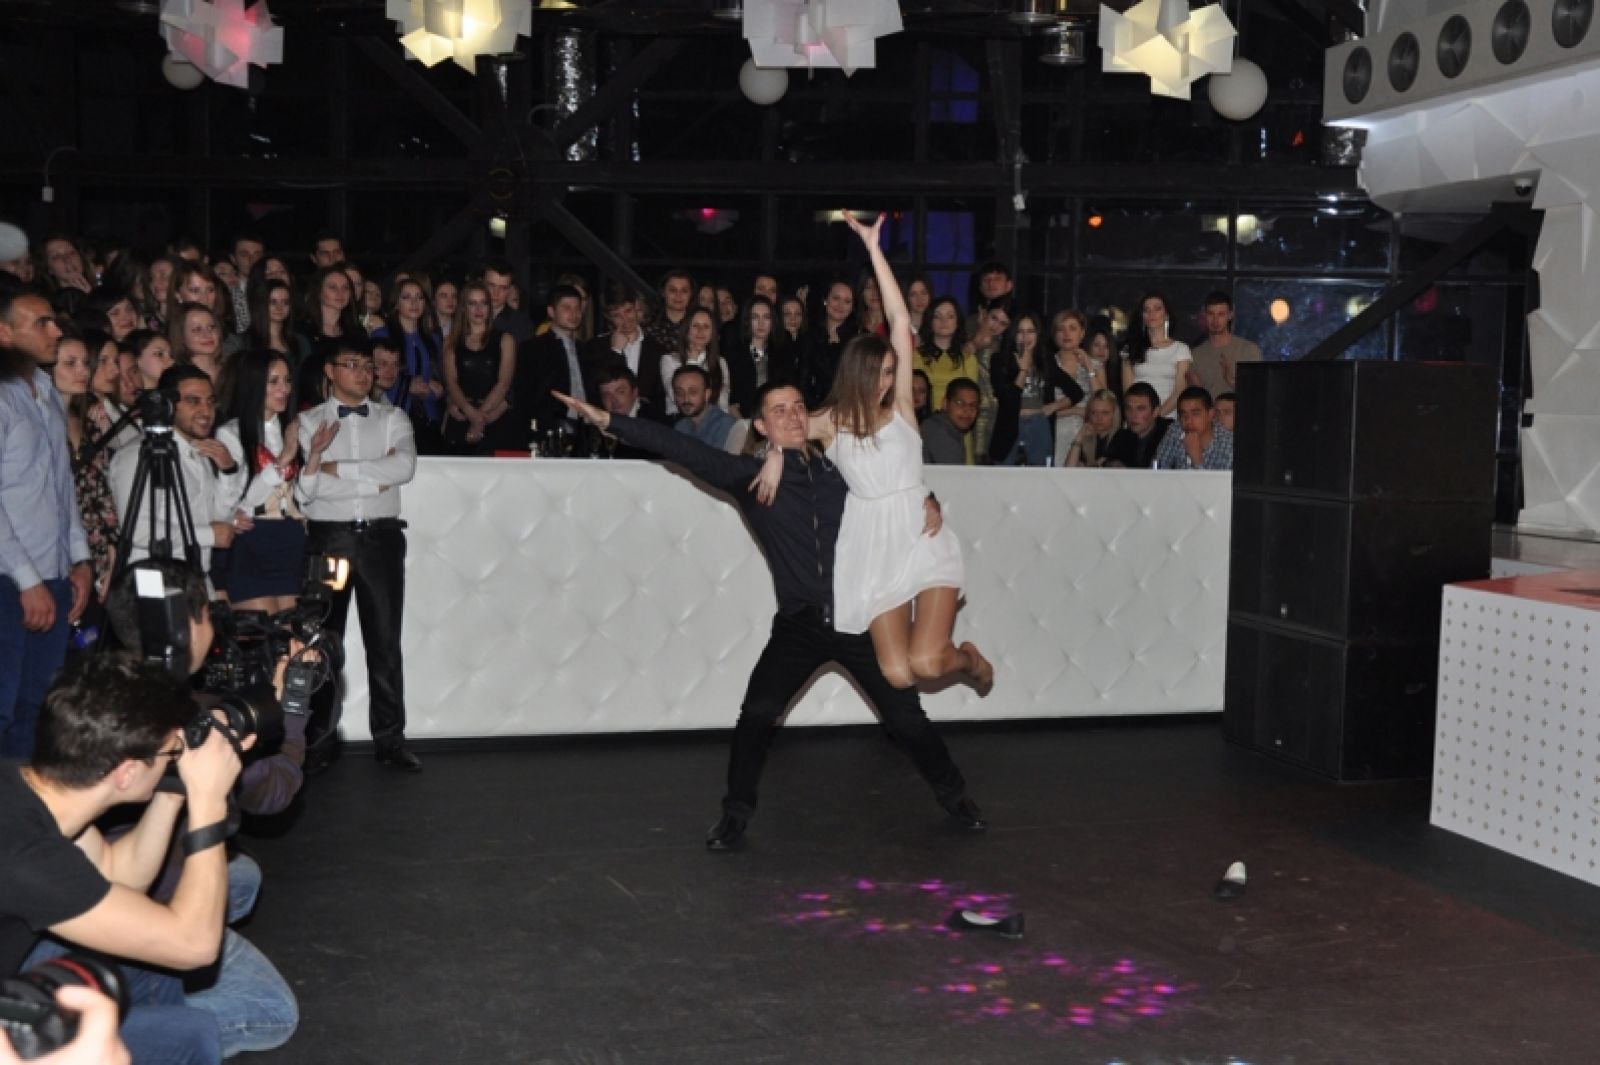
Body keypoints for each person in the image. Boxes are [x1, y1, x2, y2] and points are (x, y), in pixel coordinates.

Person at [555, 378, 988, 851]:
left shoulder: (843, 468)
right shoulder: (753, 478)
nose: (793, 416)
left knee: (906, 720)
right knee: (757, 714)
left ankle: (956, 797)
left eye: (799, 406)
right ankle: (734, 817)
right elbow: (683, 449)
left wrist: (929, 500)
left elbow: (896, 481)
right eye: (779, 410)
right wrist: (610, 421)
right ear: (761, 425)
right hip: (800, 625)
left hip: (859, 617)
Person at [758, 212, 993, 697]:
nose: (887, 381)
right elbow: (781, 421)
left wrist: (873, 249)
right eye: (880, 372)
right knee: (898, 674)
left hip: (920, 531)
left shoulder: (903, 407)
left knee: (928, 662)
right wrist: (775, 452)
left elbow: (901, 320)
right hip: (872, 545)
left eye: (891, 371)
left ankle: (970, 660)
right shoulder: (830, 421)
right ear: (857, 372)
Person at [1, 652, 247, 1064]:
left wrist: (172, 790)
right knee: (195, 1035)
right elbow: (196, 946)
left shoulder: (28, 786)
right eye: (171, 752)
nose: (176, 756)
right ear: (126, 772)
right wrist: (209, 801)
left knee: (150, 963)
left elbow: (117, 875)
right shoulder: (29, 858)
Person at [297, 339, 421, 772]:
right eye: (352, 364)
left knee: (384, 641)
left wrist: (336, 469)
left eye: (368, 365)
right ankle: (318, 740)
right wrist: (371, 477)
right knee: (322, 642)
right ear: (330, 371)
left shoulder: (393, 417)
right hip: (329, 539)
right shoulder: (306, 422)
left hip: (380, 540)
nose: (364, 373)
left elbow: (403, 468)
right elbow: (309, 489)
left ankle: (389, 739)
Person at [0, 283, 92, 758]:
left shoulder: (46, 393)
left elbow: (61, 487)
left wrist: (80, 560)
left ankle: (20, 802)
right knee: (4, 705)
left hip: (52, 576)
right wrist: (27, 579)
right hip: (9, 579)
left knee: (38, 707)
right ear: (4, 333)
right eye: (42, 323)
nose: (56, 331)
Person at [109, 365, 242, 576]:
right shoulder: (138, 454)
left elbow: (217, 517)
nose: (206, 411)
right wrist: (208, 535)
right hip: (153, 576)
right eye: (193, 401)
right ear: (168, 405)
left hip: (194, 575)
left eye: (210, 401)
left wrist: (228, 471)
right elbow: (138, 529)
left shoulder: (200, 451)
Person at [215, 350, 306, 614]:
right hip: (252, 537)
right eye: (273, 381)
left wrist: (311, 461)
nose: (283, 389)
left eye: (287, 381)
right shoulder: (231, 433)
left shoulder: (293, 429)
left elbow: (303, 494)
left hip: (289, 538)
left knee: (292, 632)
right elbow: (242, 502)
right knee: (261, 630)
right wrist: (284, 458)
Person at [440, 282, 517, 454]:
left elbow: (503, 384)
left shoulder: (505, 340)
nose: (478, 309)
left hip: (495, 416)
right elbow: (451, 383)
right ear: (464, 308)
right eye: (472, 303)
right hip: (461, 414)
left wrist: (480, 418)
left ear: (489, 308)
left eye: (483, 303)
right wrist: (472, 414)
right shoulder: (451, 342)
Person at [519, 284, 595, 442]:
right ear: (551, 311)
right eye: (567, 308)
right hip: (550, 430)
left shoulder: (587, 350)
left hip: (586, 428)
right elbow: (526, 397)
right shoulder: (533, 348)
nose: (574, 314)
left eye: (577, 308)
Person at [1120, 292, 1191, 418]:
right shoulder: (1130, 349)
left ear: (1166, 314)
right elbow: (1128, 391)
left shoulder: (1181, 349)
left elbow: (1180, 391)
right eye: (1146, 310)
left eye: (1157, 309)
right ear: (1142, 316)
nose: (1151, 314)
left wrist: (1156, 416)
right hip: (1138, 418)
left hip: (1169, 418)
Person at [1188, 291, 1261, 399]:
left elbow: (1257, 391)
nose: (1215, 320)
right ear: (1205, 315)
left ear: (1230, 315)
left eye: (1221, 314)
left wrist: (1231, 381)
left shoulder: (1248, 350)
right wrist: (1198, 390)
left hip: (1239, 409)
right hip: (1208, 409)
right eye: (1211, 314)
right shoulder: (1195, 355)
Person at [661, 307, 731, 415]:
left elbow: (723, 402)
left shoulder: (720, 362)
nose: (701, 331)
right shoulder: (669, 360)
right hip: (679, 418)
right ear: (686, 329)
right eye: (696, 326)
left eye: (706, 327)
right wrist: (693, 357)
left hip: (714, 420)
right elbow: (676, 396)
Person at [1153, 386, 1234, 470]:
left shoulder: (1229, 444)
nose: (1188, 420)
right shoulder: (1175, 430)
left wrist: (1197, 460)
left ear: (1211, 414)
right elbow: (1157, 469)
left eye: (1195, 413)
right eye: (1183, 414)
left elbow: (1222, 479)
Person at [1103, 381, 1171, 469]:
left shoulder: (1169, 434)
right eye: (1129, 408)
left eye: (1140, 409)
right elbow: (1107, 461)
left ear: (1155, 412)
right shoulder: (1122, 437)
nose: (1133, 415)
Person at [672, 365, 735, 449]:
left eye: (693, 392)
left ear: (707, 394)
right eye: (679, 393)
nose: (686, 399)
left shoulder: (724, 424)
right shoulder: (680, 427)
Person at [921, 377, 980, 466]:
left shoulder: (936, 424)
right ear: (945, 403)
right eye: (960, 403)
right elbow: (955, 475)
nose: (967, 410)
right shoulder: (941, 435)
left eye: (973, 405)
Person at [481, 259, 535, 344]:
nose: (496, 293)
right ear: (482, 284)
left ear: (510, 289)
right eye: (491, 285)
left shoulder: (522, 324)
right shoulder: (465, 316)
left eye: (503, 288)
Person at [1064, 388, 1121, 468]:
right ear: (1089, 415)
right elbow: (1069, 470)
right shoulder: (1086, 440)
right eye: (1094, 413)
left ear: (1114, 415)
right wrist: (1079, 437)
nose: (1099, 418)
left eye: (1105, 413)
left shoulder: (1123, 438)